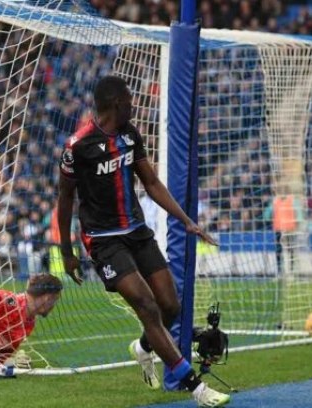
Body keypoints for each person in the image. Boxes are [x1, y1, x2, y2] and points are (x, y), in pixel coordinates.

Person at [57, 76, 230, 407]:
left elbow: (150, 182)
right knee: (147, 307)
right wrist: (67, 251)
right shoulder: (77, 146)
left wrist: (187, 221)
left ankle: (143, 348)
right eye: (130, 100)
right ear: (117, 104)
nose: (135, 105)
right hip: (103, 241)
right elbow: (64, 200)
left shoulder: (130, 135)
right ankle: (197, 388)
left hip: (136, 231)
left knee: (170, 306)